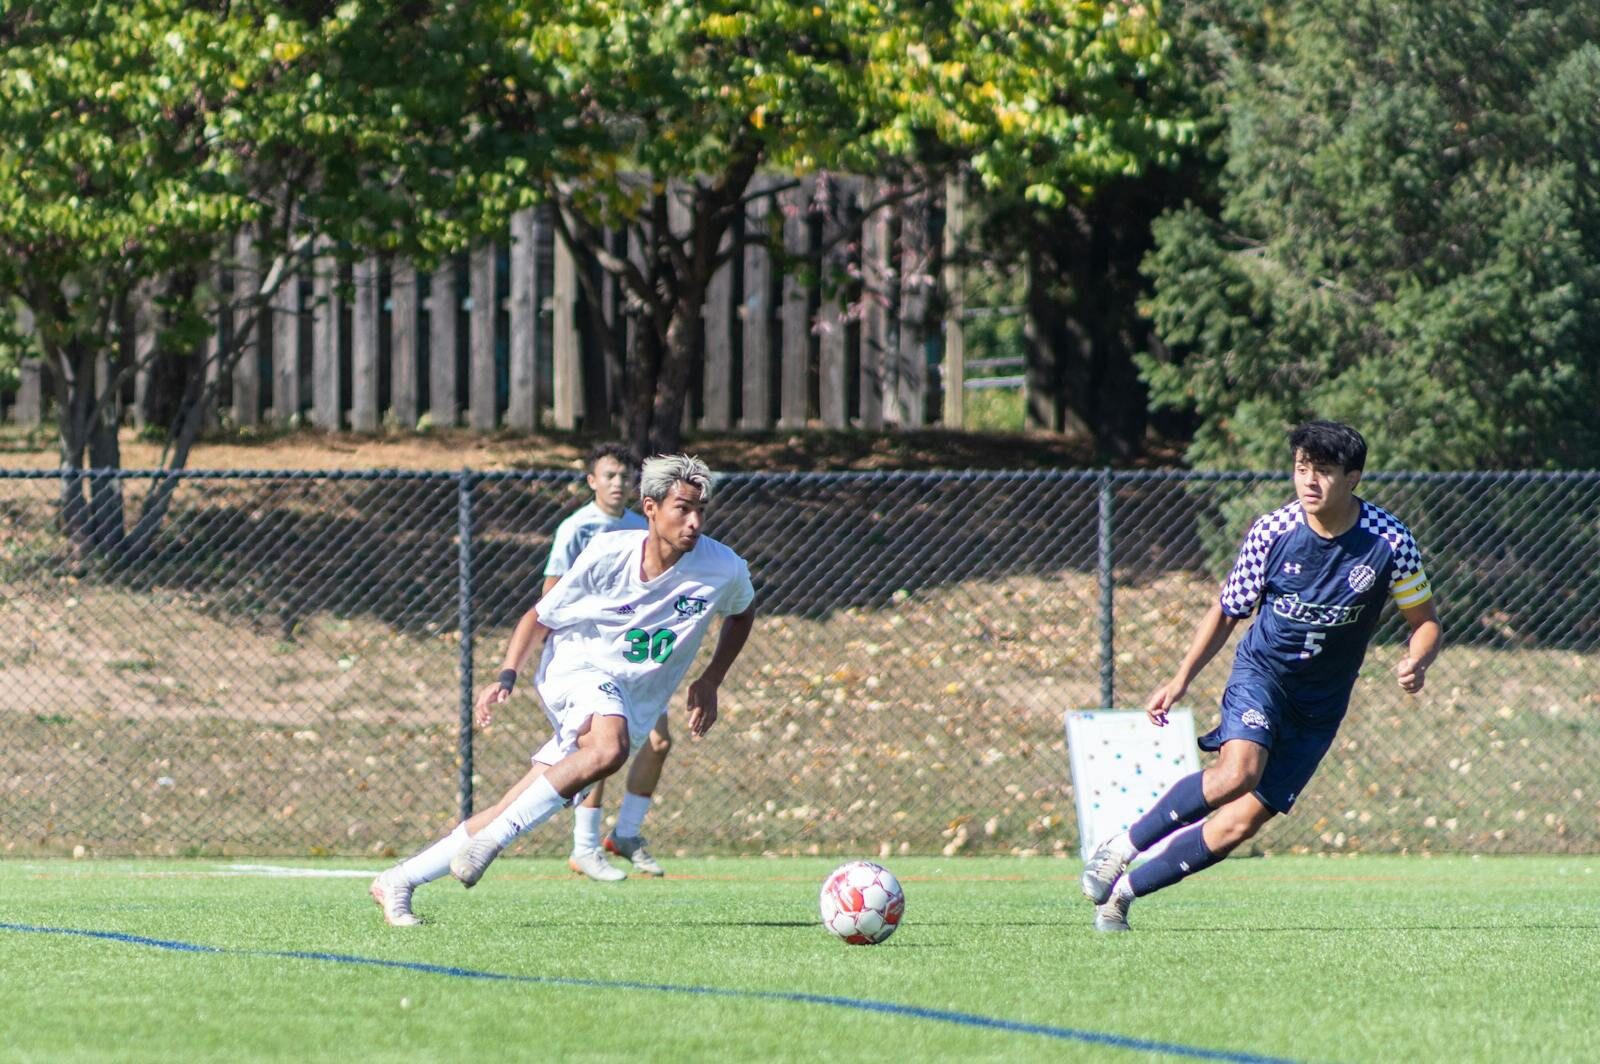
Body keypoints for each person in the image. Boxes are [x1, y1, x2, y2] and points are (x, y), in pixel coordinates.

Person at [1080, 421, 1442, 932]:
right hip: (1263, 674)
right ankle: (1120, 847)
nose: (1309, 482)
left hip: (1321, 704)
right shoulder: (1273, 531)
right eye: (1301, 469)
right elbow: (1229, 610)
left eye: (1323, 472)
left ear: (1353, 478)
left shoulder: (1389, 542)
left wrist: (1417, 659)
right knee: (1237, 772)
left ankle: (1122, 895)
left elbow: (1424, 621)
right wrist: (1182, 676)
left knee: (1238, 825)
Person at [370, 454, 757, 925]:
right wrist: (507, 675)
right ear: (650, 508)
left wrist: (712, 678)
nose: (694, 521)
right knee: (609, 749)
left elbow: (741, 612)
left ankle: (399, 880)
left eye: (701, 510)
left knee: (516, 801)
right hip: (577, 667)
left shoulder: (723, 567)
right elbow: (539, 616)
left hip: (636, 697)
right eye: (683, 508)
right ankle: (491, 844)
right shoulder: (607, 554)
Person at [539, 443, 666, 883]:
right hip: (591, 656)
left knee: (657, 740)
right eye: (608, 475)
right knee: (605, 744)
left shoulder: (640, 527)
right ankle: (585, 846)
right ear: (592, 481)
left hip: (633, 651)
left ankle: (626, 835)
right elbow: (551, 596)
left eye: (624, 476)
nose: (617, 483)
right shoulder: (576, 528)